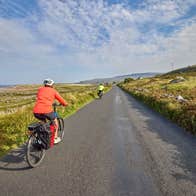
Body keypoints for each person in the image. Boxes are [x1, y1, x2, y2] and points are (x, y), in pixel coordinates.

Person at [33, 78, 68, 144]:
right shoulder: (53, 91)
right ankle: (55, 138)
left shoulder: (40, 90)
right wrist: (65, 104)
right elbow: (61, 100)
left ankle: (41, 137)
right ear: (52, 85)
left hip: (36, 111)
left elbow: (41, 98)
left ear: (44, 84)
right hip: (47, 111)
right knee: (55, 122)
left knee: (43, 123)